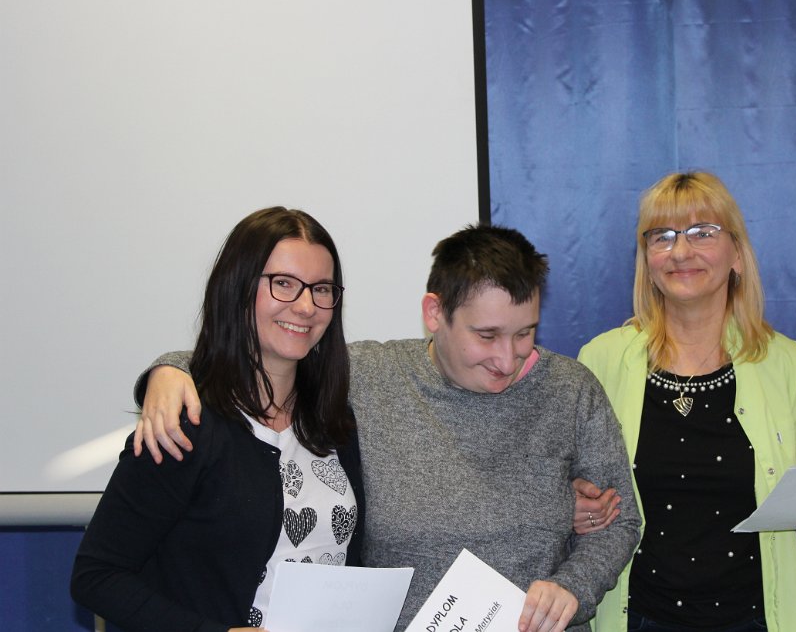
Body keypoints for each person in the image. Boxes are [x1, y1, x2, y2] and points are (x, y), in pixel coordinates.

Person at [133, 223, 642, 632]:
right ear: (434, 313)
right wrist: (169, 370)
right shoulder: (367, 377)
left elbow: (621, 522)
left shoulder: (570, 390)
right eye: (486, 335)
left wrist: (572, 587)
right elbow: (263, 355)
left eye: (525, 333)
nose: (507, 359)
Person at [575, 172, 796, 632]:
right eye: (663, 236)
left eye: (702, 233)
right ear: (647, 260)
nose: (681, 251)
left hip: (759, 619)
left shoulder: (786, 362)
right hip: (637, 618)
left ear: (737, 254)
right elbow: (564, 489)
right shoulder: (600, 360)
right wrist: (574, 506)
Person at [71, 207, 364, 632]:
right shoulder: (184, 425)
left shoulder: (334, 422)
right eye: (283, 284)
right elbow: (96, 576)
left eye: (321, 289)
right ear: (238, 288)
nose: (305, 306)